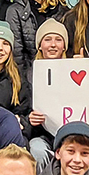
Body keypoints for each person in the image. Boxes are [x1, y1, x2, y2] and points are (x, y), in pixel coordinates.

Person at [5, 0, 67, 70]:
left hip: (61, 70)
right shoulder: (15, 11)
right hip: (30, 73)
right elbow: (17, 55)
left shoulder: (62, 7)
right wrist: (28, 79)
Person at [24, 17, 70, 166]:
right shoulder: (29, 75)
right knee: (36, 148)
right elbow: (22, 110)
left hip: (72, 135)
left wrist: (84, 67)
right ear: (40, 45)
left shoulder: (74, 71)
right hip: (43, 135)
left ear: (64, 46)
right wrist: (30, 119)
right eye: (47, 39)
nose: (53, 45)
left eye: (58, 40)